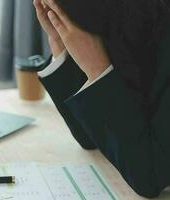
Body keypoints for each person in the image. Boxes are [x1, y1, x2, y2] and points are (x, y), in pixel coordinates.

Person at [34, 0, 170, 198]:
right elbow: (91, 138)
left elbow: (149, 177)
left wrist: (97, 69)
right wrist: (60, 43)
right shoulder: (128, 29)